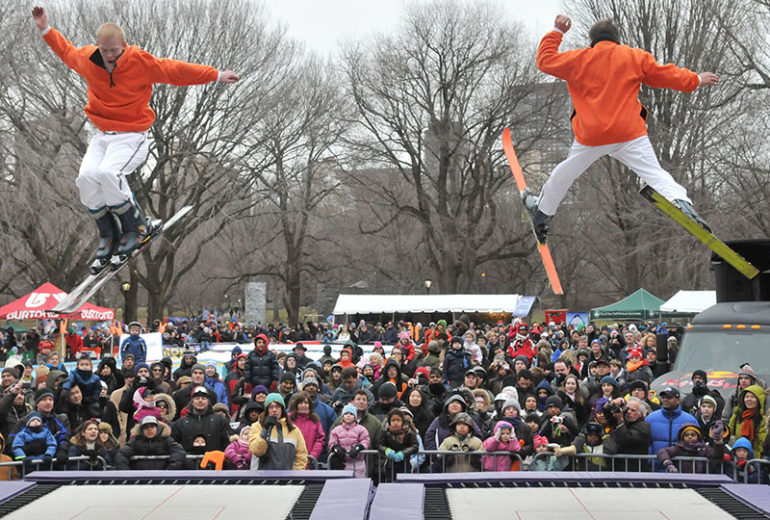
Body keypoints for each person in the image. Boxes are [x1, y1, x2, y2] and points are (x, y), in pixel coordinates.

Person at [31, 6, 238, 267]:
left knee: (109, 174)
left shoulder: (140, 62)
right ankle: (108, 235)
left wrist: (215, 75)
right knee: (85, 179)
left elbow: (175, 70)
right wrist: (45, 29)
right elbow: (66, 51)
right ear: (98, 47)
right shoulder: (87, 60)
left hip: (132, 136)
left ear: (124, 46)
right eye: (104, 51)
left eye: (114, 51)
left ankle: (138, 227)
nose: (109, 56)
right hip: (103, 136)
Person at [526, 15, 719, 242]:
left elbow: (545, 61)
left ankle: (542, 212)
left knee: (565, 172)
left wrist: (557, 31)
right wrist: (695, 79)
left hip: (591, 135)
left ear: (593, 41)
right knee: (655, 174)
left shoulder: (579, 59)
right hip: (629, 134)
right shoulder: (633, 57)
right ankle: (682, 203)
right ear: (617, 40)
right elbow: (665, 74)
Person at [248, 393, 308, 470]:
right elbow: (257, 451)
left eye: (278, 407)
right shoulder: (257, 427)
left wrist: (294, 477)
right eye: (271, 407)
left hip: (288, 479)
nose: (274, 410)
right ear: (266, 410)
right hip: (262, 479)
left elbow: (301, 456)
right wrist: (265, 430)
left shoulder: (294, 430)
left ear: (282, 409)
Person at [646, 386, 697, 471]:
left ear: (678, 400)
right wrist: (650, 461)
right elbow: (647, 443)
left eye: (669, 397)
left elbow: (697, 443)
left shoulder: (690, 420)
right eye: (664, 397)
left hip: (682, 470)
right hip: (656, 469)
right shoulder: (651, 418)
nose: (665, 400)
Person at [115, 415, 186, 470]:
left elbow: (179, 451)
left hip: (164, 478)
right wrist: (127, 474)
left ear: (157, 428)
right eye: (146, 427)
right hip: (139, 479)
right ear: (141, 430)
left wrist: (170, 470)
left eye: (152, 426)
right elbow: (121, 455)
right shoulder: (135, 441)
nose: (149, 430)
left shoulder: (166, 440)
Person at [657, 423, 725, 474]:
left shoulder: (704, 448)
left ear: (698, 437)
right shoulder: (678, 447)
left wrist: (717, 440)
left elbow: (716, 454)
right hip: (681, 481)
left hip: (701, 480)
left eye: (693, 435)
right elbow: (662, 451)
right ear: (682, 437)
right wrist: (668, 463)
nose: (690, 437)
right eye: (686, 435)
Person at [328, 404, 370, 477]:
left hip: (357, 463)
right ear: (342, 416)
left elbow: (365, 440)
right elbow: (332, 441)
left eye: (351, 414)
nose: (348, 415)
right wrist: (336, 447)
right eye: (346, 413)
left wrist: (359, 447)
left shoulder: (361, 429)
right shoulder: (336, 430)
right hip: (342, 463)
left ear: (355, 417)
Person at [728, 384, 766, 459]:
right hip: (736, 457)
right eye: (747, 396)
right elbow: (729, 433)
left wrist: (754, 459)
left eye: (752, 397)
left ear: (759, 400)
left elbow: (761, 442)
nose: (749, 399)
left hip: (755, 460)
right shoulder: (737, 416)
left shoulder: (762, 419)